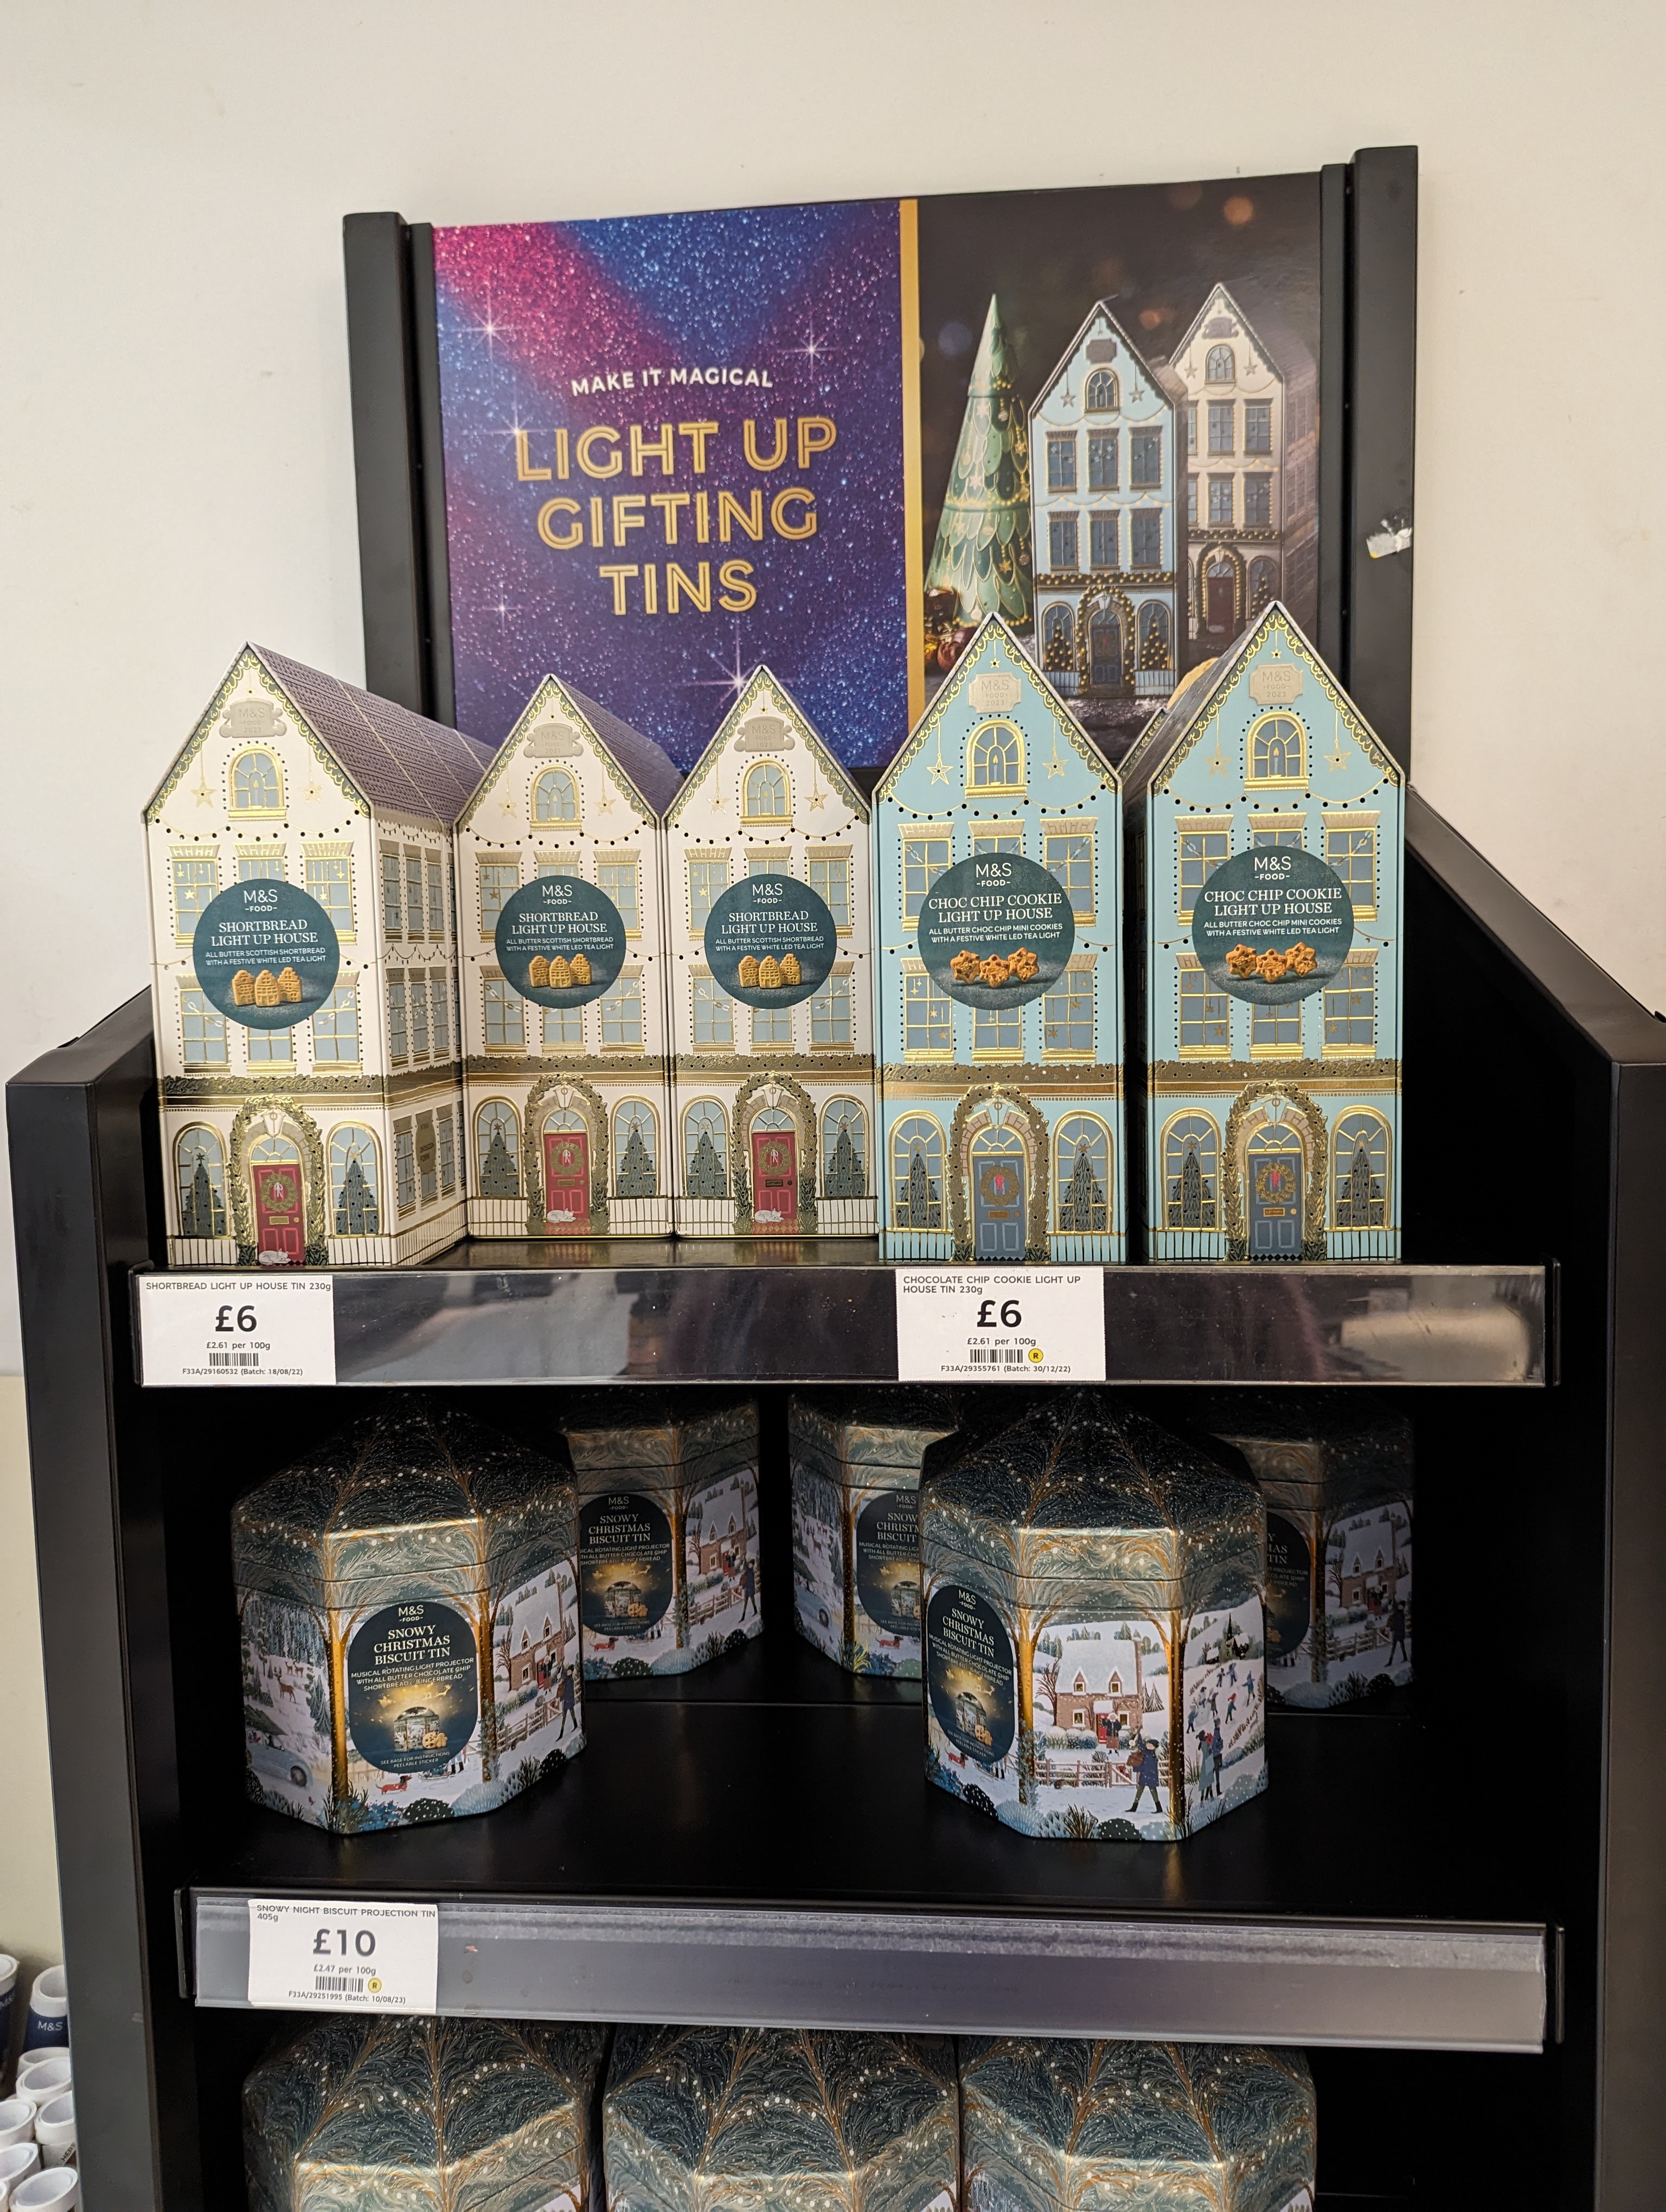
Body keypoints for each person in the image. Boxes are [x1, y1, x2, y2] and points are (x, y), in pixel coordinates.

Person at [1129, 1731, 1162, 1814]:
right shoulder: (1146, 1752)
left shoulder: (1152, 1756)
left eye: (1151, 1746)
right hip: (1146, 1776)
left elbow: (1146, 1767)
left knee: (1153, 1792)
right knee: (1140, 1791)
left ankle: (1159, 1808)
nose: (1148, 1746)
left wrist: (1136, 1769)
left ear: (1154, 1748)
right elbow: (1140, 1745)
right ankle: (1134, 1807)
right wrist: (1139, 1735)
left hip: (1150, 1776)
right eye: (1148, 1745)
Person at [1387, 1598, 1408, 1667]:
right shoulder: (1397, 1612)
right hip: (1397, 1633)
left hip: (1400, 1632)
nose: (1400, 1607)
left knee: (1402, 1646)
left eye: (1402, 1606)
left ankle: (1405, 1657)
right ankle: (1390, 1661)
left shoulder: (1401, 1615)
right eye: (1400, 1606)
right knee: (1394, 1647)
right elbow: (1394, 1622)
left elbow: (1400, 1624)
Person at [739, 1554, 758, 1620]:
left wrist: (743, 1587)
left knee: (753, 1601)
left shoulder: (751, 1573)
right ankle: (743, 1616)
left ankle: (755, 1611)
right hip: (748, 1590)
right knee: (746, 1603)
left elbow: (749, 1583)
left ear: (752, 1566)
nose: (750, 1565)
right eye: (750, 1564)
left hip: (751, 1589)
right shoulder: (747, 1571)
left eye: (751, 1565)